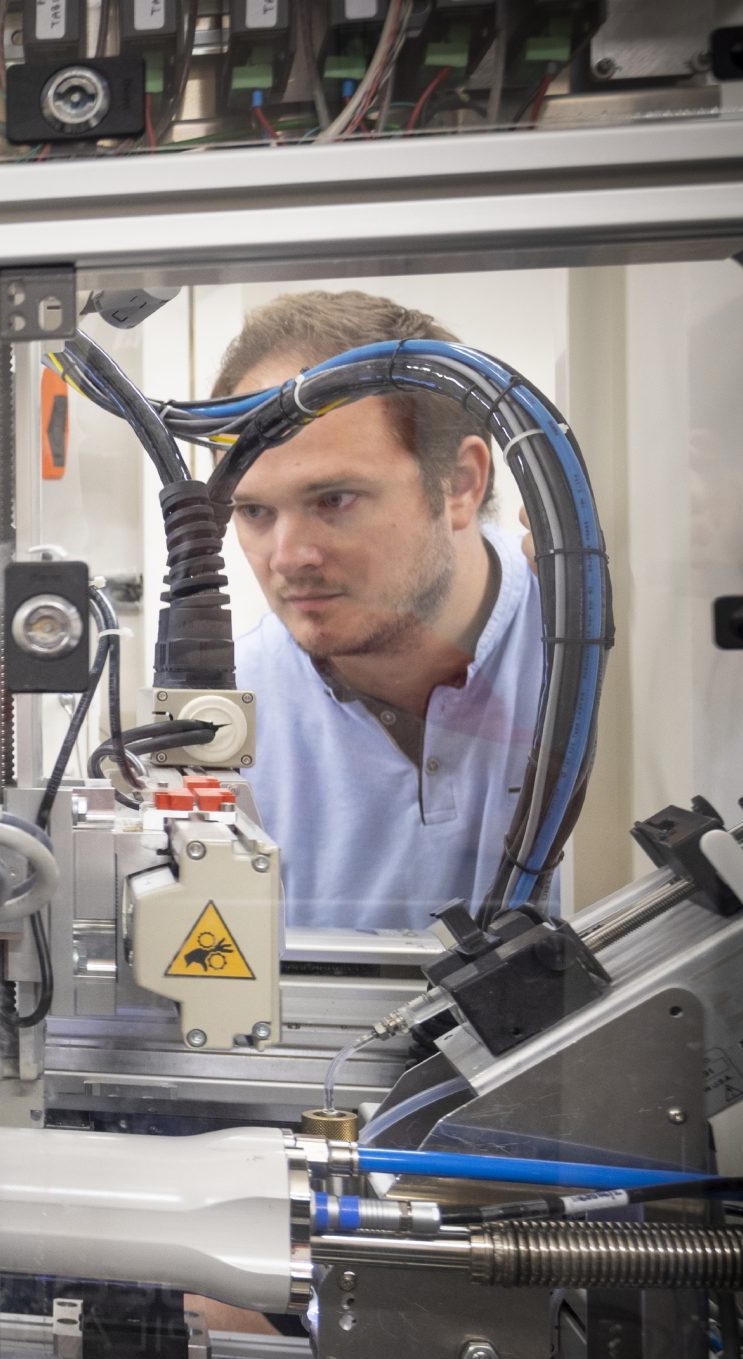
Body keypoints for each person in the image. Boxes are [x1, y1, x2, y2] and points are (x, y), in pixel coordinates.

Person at [217, 291, 544, 933]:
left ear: (459, 484)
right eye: (254, 511)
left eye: (334, 499)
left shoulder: (583, 650)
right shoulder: (222, 713)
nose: (288, 557)